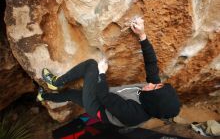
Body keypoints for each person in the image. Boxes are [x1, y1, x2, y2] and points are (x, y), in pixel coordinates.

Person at [37, 17, 180, 127]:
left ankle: (55, 82)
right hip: (107, 98)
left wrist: (101, 73)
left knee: (91, 65)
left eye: (153, 88)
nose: (151, 84)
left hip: (98, 106)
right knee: (70, 94)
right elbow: (151, 63)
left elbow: (103, 96)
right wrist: (142, 35)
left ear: (153, 102)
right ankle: (43, 96)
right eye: (156, 85)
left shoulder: (133, 115)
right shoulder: (153, 92)